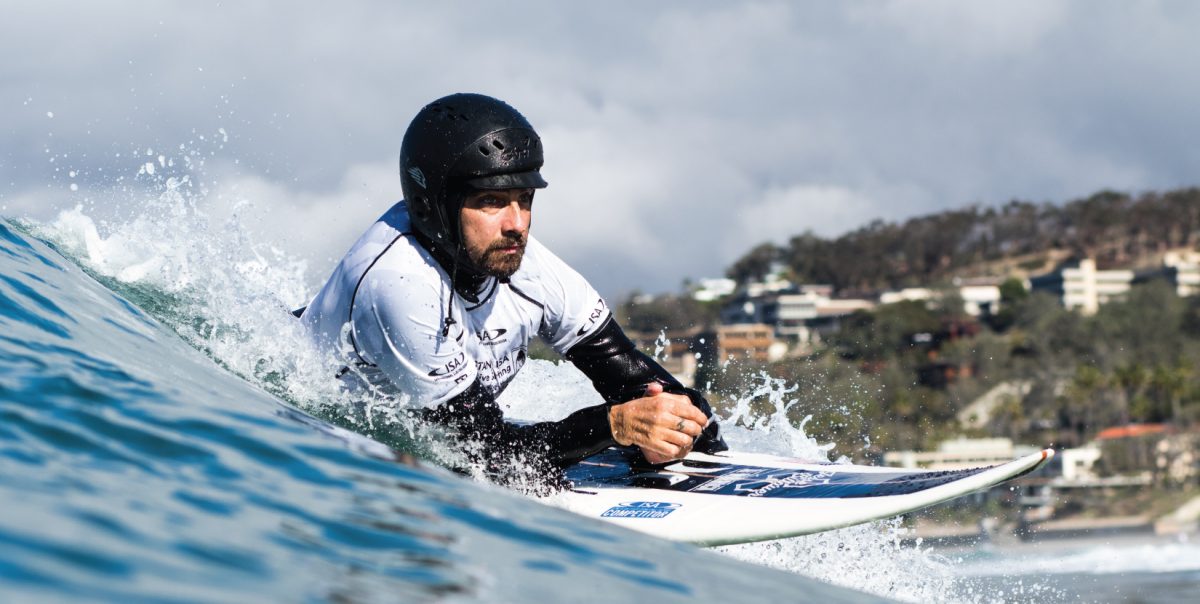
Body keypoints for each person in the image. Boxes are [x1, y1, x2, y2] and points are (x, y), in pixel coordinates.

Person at [298, 93, 725, 478]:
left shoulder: (527, 265)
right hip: (320, 438)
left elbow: (631, 377)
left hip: (437, 421)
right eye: (491, 202)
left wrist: (678, 421)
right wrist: (615, 426)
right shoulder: (398, 286)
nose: (517, 224)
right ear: (433, 207)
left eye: (524, 199)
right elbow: (489, 455)